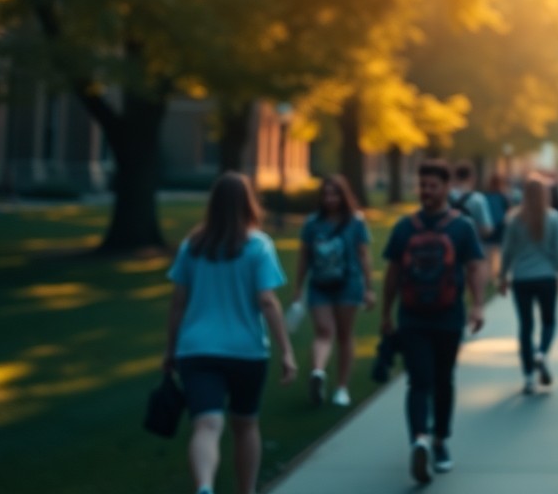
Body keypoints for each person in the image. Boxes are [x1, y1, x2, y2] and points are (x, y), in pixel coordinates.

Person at [163, 172, 297, 494]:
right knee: (245, 424)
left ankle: (205, 487)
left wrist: (170, 351)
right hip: (246, 351)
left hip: (196, 350)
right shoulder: (258, 246)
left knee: (206, 425)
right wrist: (287, 351)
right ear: (248, 202)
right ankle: (246, 491)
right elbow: (267, 300)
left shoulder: (191, 246)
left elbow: (178, 303)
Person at [381, 160, 487, 484]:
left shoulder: (459, 227)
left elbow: (474, 267)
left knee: (441, 380)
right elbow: (392, 274)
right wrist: (386, 313)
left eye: (432, 186)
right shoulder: (407, 227)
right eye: (422, 185)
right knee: (420, 380)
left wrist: (478, 305)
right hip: (414, 318)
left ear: (446, 187)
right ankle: (424, 441)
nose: (426, 192)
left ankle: (434, 439)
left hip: (447, 316)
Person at [292, 175, 374, 408]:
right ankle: (325, 378)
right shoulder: (316, 223)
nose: (330, 199)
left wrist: (369, 288)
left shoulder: (352, 222)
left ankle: (333, 382)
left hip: (347, 284)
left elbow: (363, 255)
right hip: (322, 285)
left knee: (339, 334)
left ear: (344, 195)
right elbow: (304, 257)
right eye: (326, 194)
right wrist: (299, 287)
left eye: (334, 194)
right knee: (328, 332)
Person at [498, 177, 558, 395]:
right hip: (546, 277)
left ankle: (529, 377)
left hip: (521, 279)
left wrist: (502, 276)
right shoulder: (554, 218)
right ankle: (541, 353)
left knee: (525, 327)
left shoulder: (514, 219)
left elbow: (507, 251)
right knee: (549, 321)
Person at [483, 173, 512, 276]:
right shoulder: (503, 196)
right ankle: (497, 273)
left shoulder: (485, 196)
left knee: (488, 252)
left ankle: (488, 274)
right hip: (500, 227)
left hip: (488, 225)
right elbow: (508, 213)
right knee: (499, 252)